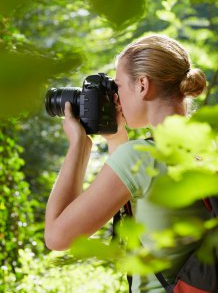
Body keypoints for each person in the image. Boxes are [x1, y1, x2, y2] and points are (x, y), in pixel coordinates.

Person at [44, 34, 208, 292]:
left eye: (118, 86)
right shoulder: (208, 148)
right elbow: (140, 187)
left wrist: (79, 144)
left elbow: (56, 237)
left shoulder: (139, 157)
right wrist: (116, 136)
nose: (115, 97)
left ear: (142, 85)